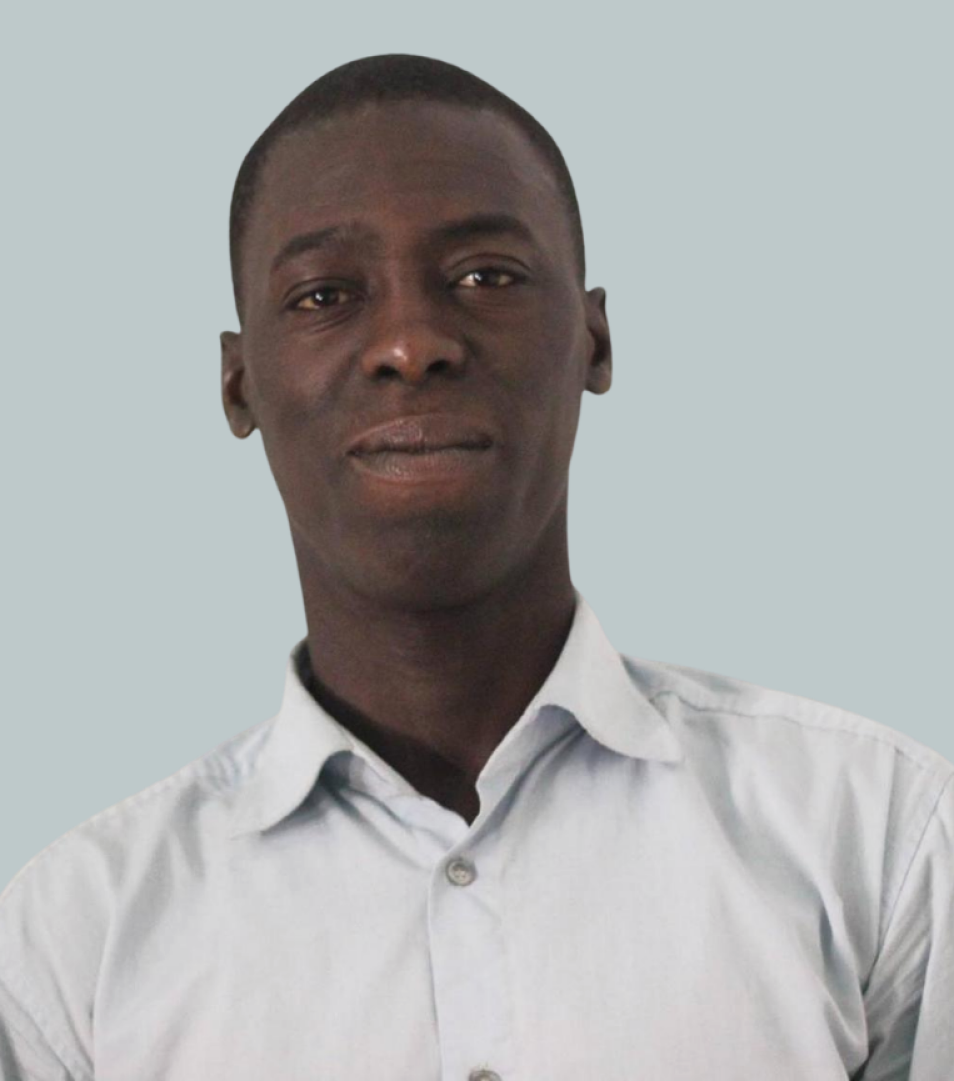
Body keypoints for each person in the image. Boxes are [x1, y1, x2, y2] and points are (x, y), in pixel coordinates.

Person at [0, 54, 950, 1081]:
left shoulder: (881, 839)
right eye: (325, 294)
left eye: (485, 277)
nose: (411, 343)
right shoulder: (71, 944)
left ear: (592, 336)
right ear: (239, 385)